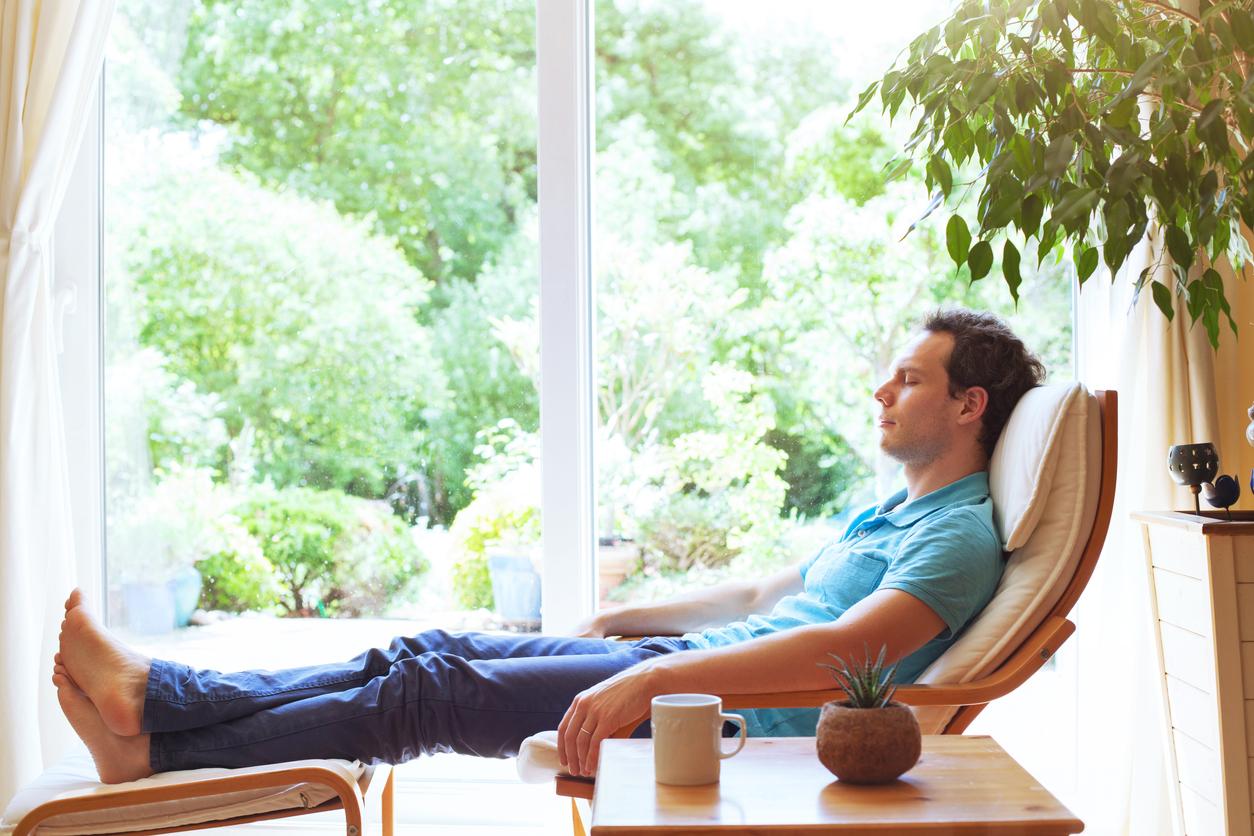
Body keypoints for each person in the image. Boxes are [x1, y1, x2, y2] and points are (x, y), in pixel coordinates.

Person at [53, 307, 1045, 784]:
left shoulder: (958, 537)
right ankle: (153, 713)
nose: (882, 391)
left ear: (968, 405)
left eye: (909, 379)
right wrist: (631, 618)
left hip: (718, 719)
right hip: (684, 674)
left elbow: (841, 656)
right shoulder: (894, 513)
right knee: (420, 651)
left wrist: (655, 685)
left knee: (425, 695)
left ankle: (152, 727)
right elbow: (768, 590)